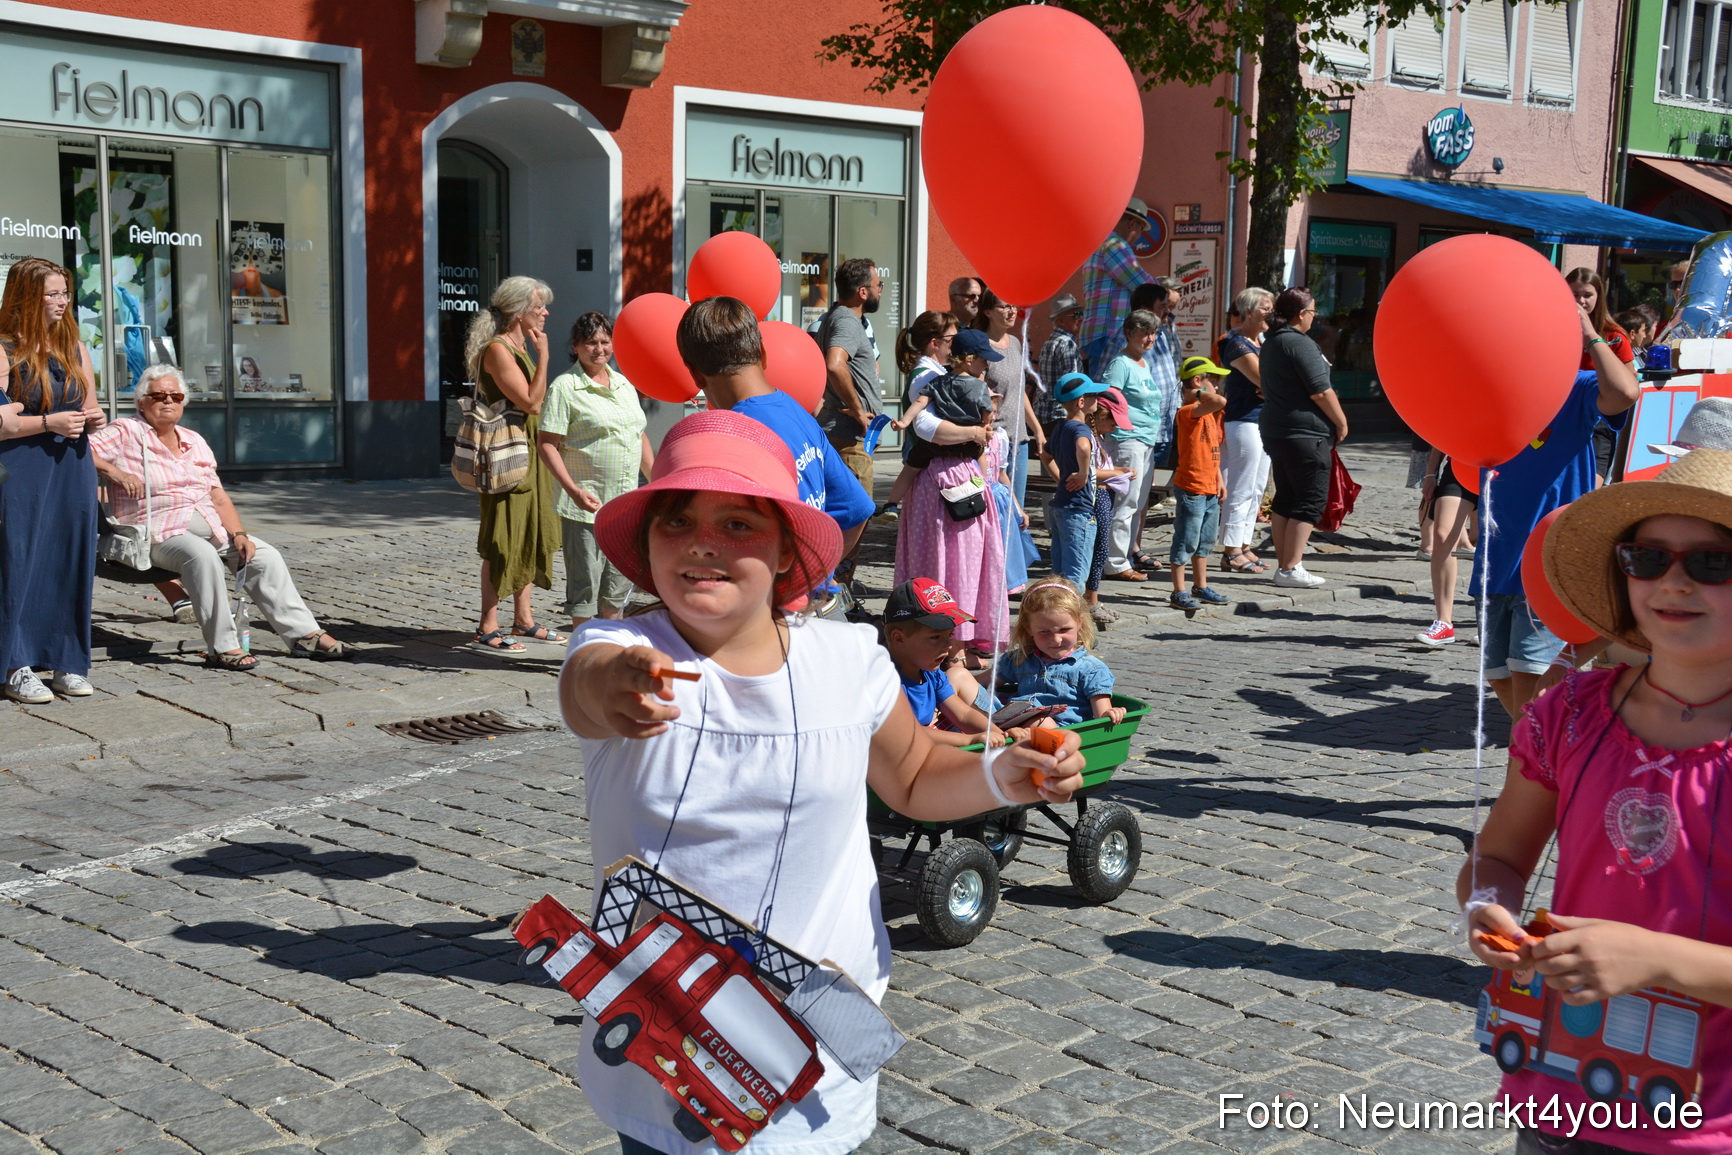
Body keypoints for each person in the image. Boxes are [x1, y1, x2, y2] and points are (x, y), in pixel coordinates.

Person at [559, 408, 1084, 1154]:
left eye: (738, 523)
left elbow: (912, 774)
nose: (703, 540)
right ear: (647, 544)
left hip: (814, 1027)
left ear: (784, 551)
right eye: (676, 520)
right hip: (666, 1034)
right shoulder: (621, 645)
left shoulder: (850, 660)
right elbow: (585, 685)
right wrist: (613, 685)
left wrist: (1009, 772)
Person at [1460, 448, 1732, 1155]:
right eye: (1647, 558)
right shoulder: (1571, 714)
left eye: (1711, 562)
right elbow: (1499, 854)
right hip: (1565, 1105)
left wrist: (1656, 958)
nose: (1673, 582)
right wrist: (1488, 906)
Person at [90, 366, 349, 671]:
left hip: (209, 528)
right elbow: (79, 451)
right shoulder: (126, 432)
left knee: (264, 556)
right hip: (156, 533)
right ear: (142, 402)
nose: (168, 401)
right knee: (201, 557)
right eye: (158, 395)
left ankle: (304, 635)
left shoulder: (194, 440)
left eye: (176, 395)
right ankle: (223, 646)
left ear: (184, 401)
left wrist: (239, 533)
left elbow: (218, 496)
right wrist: (115, 472)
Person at [1470, 299, 1638, 720]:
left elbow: (1626, 391)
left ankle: (1534, 770)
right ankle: (1545, 757)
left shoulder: (1578, 387)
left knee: (1533, 682)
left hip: (1545, 559)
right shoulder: (1492, 392)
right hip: (1496, 557)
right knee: (1499, 677)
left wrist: (1592, 335)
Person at [675, 296, 873, 610]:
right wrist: (816, 575)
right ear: (763, 354)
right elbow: (857, 508)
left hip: (765, 613)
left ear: (696, 376)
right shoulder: (796, 411)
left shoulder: (732, 433)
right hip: (813, 602)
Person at [0, 256, 103, 704]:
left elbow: (92, 406)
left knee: (70, 557)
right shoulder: (3, 348)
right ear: (26, 296)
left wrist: (94, 420)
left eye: (65, 292)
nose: (63, 301)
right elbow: (1, 425)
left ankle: (67, 659)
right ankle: (15, 664)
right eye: (53, 293)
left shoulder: (74, 347)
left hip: (72, 467)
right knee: (19, 562)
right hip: (22, 468)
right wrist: (49, 424)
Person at [463, 275, 563, 656]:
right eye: (539, 306)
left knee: (531, 532)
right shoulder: (498, 350)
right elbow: (531, 403)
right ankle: (488, 625)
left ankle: (524, 618)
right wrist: (547, 358)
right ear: (520, 311)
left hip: (529, 452)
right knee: (503, 538)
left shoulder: (517, 346)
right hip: (506, 456)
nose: (545, 312)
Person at [894, 330, 1008, 665]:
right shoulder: (975, 388)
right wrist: (980, 431)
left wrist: (903, 421)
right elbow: (977, 428)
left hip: (932, 479)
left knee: (935, 560)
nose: (987, 365)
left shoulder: (935, 384)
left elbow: (919, 419)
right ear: (971, 360)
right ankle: (956, 649)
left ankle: (929, 640)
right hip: (962, 478)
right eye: (985, 359)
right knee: (963, 564)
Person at [537, 312, 653, 631]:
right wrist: (573, 490)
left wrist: (656, 477)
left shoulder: (623, 384)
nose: (599, 349)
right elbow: (547, 443)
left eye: (604, 341)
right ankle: (583, 654)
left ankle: (609, 650)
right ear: (576, 346)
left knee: (616, 590)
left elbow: (637, 432)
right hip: (585, 507)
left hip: (624, 505)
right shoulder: (566, 387)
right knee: (585, 588)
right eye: (590, 342)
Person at [1258, 288, 1349, 589]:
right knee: (1309, 500)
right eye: (1312, 312)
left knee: (1286, 497)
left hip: (1278, 429)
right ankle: (1291, 566)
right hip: (1305, 433)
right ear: (1301, 314)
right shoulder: (1299, 343)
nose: (1314, 317)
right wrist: (1340, 421)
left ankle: (1285, 567)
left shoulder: (1272, 341)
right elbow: (1321, 391)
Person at [881, 578, 1008, 747]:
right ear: (898, 638)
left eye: (949, 635)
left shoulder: (930, 672)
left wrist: (999, 735)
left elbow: (963, 714)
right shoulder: (886, 681)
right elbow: (909, 732)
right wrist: (970, 739)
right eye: (935, 637)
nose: (948, 645)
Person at [995, 578, 1126, 726]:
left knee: (1041, 722)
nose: (1056, 640)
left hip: (1061, 733)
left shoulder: (1091, 669)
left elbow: (1102, 713)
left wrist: (1110, 714)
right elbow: (982, 684)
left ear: (1079, 623)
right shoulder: (1020, 658)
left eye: (1064, 630)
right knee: (963, 680)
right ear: (1029, 629)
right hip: (1016, 725)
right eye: (1044, 632)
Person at [1101, 309, 1165, 582]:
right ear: (1130, 333)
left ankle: (1125, 557)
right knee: (1125, 502)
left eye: (1153, 333)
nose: (1150, 339)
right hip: (1127, 440)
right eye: (1144, 333)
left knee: (1137, 503)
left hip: (1146, 440)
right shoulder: (1121, 364)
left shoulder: (1142, 363)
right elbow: (1106, 399)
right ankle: (1114, 563)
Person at [878, 309, 960, 521]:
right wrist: (969, 432)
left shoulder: (936, 371)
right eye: (951, 339)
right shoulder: (926, 376)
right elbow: (925, 424)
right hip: (931, 467)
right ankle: (891, 504)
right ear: (935, 343)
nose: (955, 344)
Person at [816, 256, 884, 498]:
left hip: (848, 438)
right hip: (848, 440)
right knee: (854, 521)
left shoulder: (839, 317)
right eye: (879, 285)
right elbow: (834, 365)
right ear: (863, 292)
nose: (881, 290)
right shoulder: (846, 321)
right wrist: (856, 409)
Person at [1218, 287, 1275, 574]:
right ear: (1249, 312)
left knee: (1255, 489)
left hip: (1261, 421)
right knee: (1241, 488)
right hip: (1244, 422)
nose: (1271, 313)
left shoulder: (1261, 342)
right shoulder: (1238, 344)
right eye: (1266, 308)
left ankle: (1243, 543)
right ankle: (1230, 551)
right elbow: (1268, 380)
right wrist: (1272, 386)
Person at [1168, 357, 1232, 612]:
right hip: (1192, 488)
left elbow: (1212, 449)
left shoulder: (1209, 414)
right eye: (1212, 381)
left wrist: (1220, 480)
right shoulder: (1188, 412)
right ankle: (1178, 590)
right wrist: (1202, 392)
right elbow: (1220, 400)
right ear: (1197, 382)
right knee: (1186, 539)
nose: (1216, 387)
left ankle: (1200, 585)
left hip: (1209, 488)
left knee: (1205, 540)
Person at [974, 288, 1045, 510]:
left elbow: (1020, 390)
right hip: (993, 440)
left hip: (1019, 440)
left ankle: (1012, 546)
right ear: (987, 311)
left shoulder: (1015, 342)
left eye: (1013, 306)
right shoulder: (980, 346)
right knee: (996, 506)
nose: (1012, 311)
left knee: (1017, 507)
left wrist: (1037, 430)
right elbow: (977, 395)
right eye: (1005, 306)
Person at [1040, 373, 1108, 590]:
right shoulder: (1081, 428)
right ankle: (1072, 620)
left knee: (1058, 576)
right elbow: (1083, 447)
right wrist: (1082, 474)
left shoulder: (1061, 427)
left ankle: (1056, 615)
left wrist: (1060, 479)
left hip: (1061, 507)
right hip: (1078, 511)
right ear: (1081, 402)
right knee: (1075, 578)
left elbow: (1045, 456)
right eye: (1094, 396)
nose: (1097, 400)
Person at [1076, 197, 1156, 373]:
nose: (1140, 236)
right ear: (1133, 224)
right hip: (1109, 332)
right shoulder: (1115, 245)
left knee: (1104, 390)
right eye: (1141, 229)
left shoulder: (1100, 244)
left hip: (1100, 332)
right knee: (1107, 393)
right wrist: (1165, 291)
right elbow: (1143, 284)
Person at [1413, 447, 1478, 647]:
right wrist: (1431, 473)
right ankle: (1444, 622)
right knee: (1442, 533)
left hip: (1503, 470)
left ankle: (1491, 624)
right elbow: (1443, 432)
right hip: (1460, 468)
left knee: (1493, 543)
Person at [1084, 390, 1135, 628]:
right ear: (1100, 414)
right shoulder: (1087, 438)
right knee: (1095, 549)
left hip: (1105, 496)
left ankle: (1092, 597)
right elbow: (1089, 473)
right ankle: (1089, 600)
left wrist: (1118, 470)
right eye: (1112, 421)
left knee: (1101, 548)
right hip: (1096, 497)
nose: (1115, 427)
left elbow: (1100, 467)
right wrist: (1116, 473)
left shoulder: (1099, 440)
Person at [1037, 293, 1085, 435]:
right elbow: (1072, 384)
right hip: (1062, 414)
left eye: (1080, 314)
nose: (1081, 319)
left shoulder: (1050, 342)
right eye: (1076, 315)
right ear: (1061, 320)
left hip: (1046, 413)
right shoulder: (1066, 343)